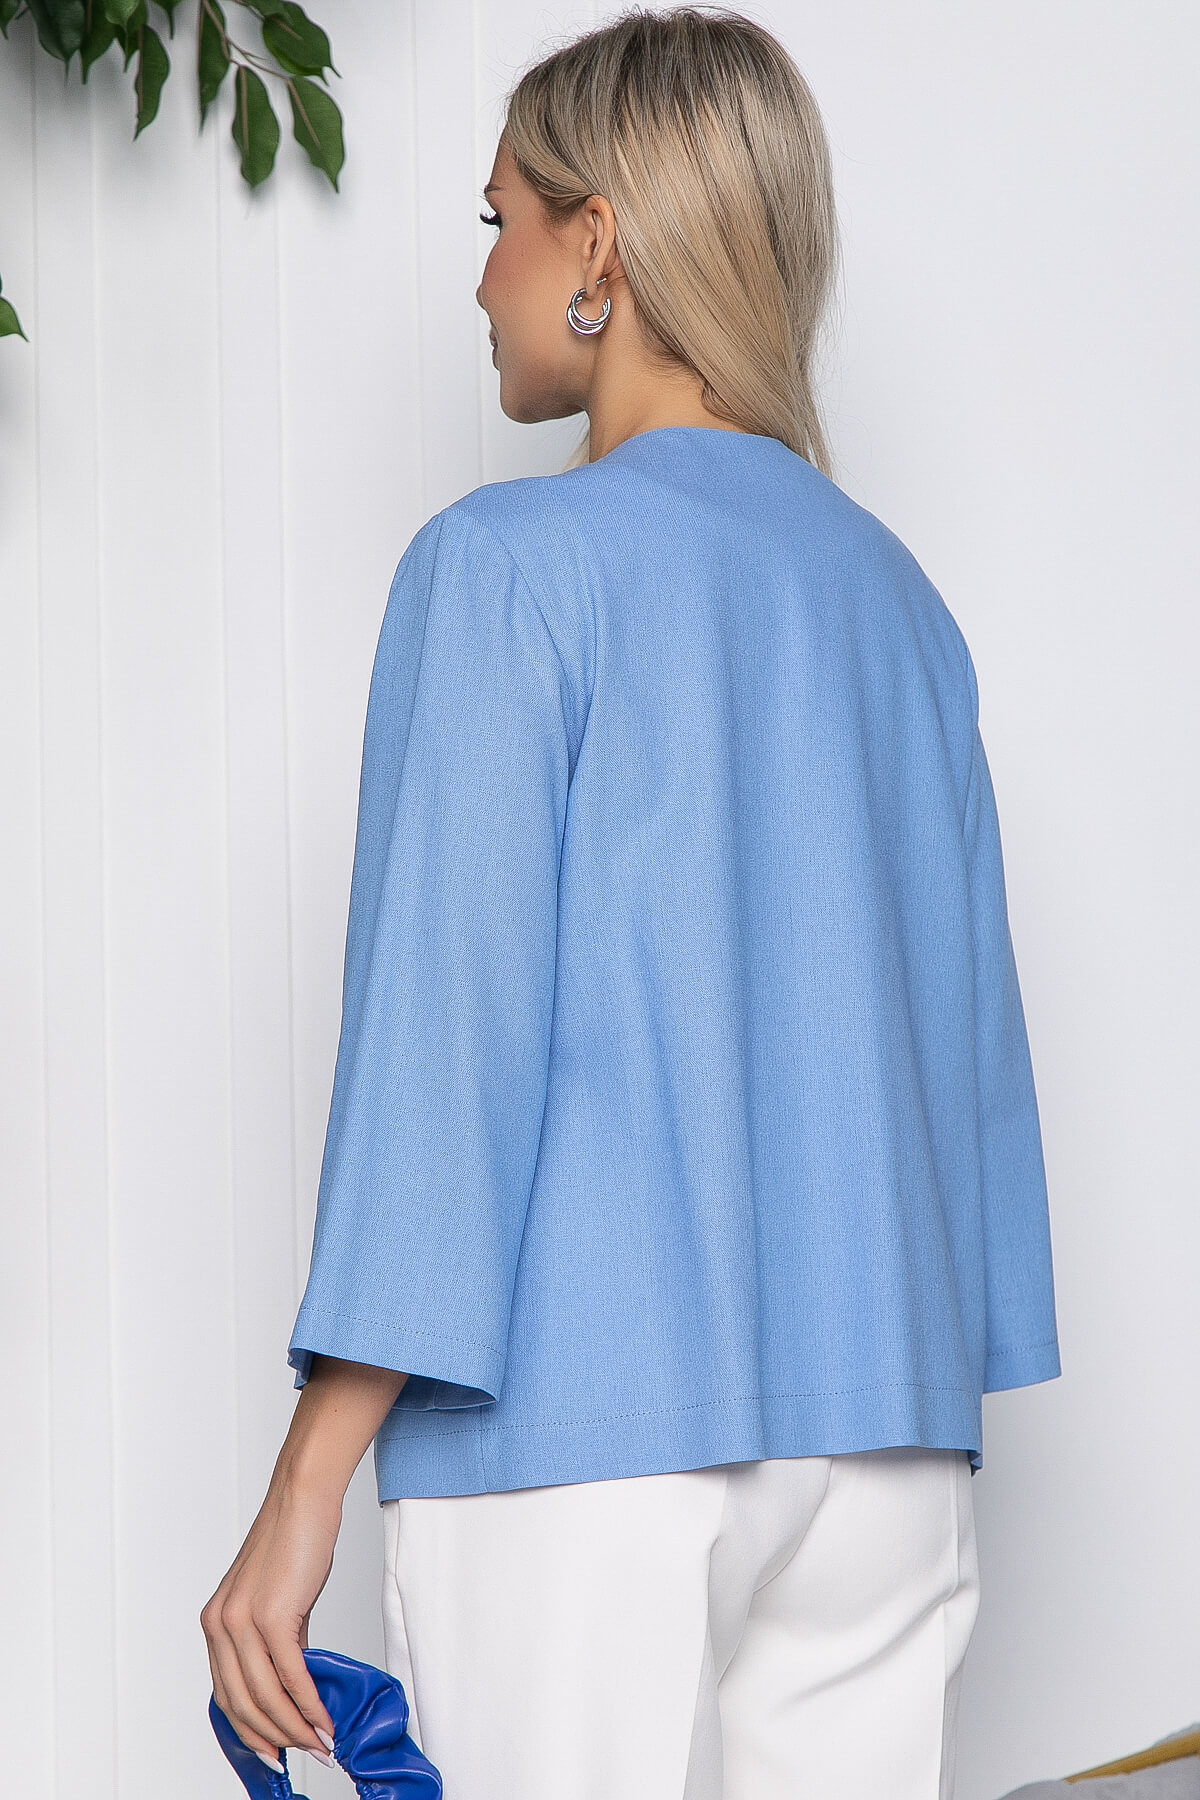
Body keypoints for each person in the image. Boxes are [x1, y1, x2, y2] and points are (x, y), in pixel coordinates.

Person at [199, 9, 1061, 1797]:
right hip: (892, 1447)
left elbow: (445, 1053)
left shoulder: (503, 570)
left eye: (500, 218)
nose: (483, 274)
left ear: (597, 243)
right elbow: (960, 1062)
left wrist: (303, 1488)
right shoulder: (899, 606)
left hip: (581, 1452)